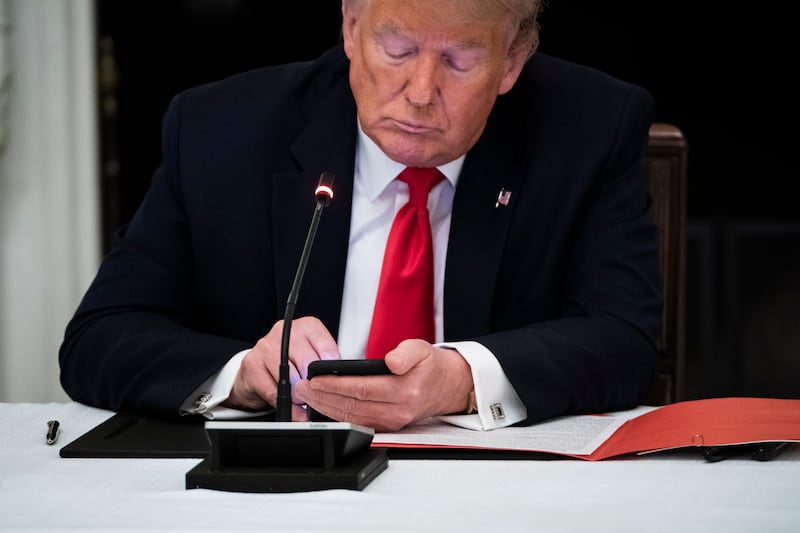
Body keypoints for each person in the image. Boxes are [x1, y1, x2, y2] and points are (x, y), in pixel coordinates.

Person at [59, 0, 662, 432]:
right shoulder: (221, 131)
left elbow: (625, 342)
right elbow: (101, 337)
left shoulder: (590, 129)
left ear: (512, 61)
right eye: (396, 48)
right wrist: (243, 373)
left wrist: (460, 379)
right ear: (350, 27)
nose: (421, 90)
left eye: (459, 60)